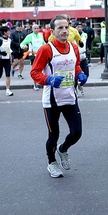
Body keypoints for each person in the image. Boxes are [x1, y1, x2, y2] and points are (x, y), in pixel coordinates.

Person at [30, 15, 88, 178]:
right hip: (51, 101)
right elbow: (34, 72)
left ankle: (63, 149)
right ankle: (52, 162)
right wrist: (48, 79)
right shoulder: (46, 49)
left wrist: (80, 74)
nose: (64, 31)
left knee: (76, 133)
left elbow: (75, 65)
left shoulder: (74, 47)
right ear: (52, 31)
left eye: (66, 27)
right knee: (53, 136)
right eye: (60, 28)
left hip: (70, 98)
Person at [20, 23, 46, 90]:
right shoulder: (30, 36)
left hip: (41, 55)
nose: (36, 30)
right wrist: (24, 46)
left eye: (37, 28)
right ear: (32, 29)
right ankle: (35, 84)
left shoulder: (41, 35)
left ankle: (43, 82)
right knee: (35, 70)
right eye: (35, 28)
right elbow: (22, 43)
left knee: (43, 69)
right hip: (33, 55)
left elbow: (43, 43)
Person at [0, 26, 14, 96]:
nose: (9, 32)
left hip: (7, 60)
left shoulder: (9, 40)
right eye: (8, 31)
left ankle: (8, 90)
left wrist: (10, 57)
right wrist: (0, 52)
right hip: (0, 60)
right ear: (4, 32)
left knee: (8, 75)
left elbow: (9, 50)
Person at [74, 21, 88, 95]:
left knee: (86, 73)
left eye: (81, 27)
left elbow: (86, 43)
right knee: (76, 74)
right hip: (76, 56)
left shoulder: (85, 34)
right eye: (78, 27)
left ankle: (80, 85)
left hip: (83, 55)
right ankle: (75, 88)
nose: (80, 28)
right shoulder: (73, 35)